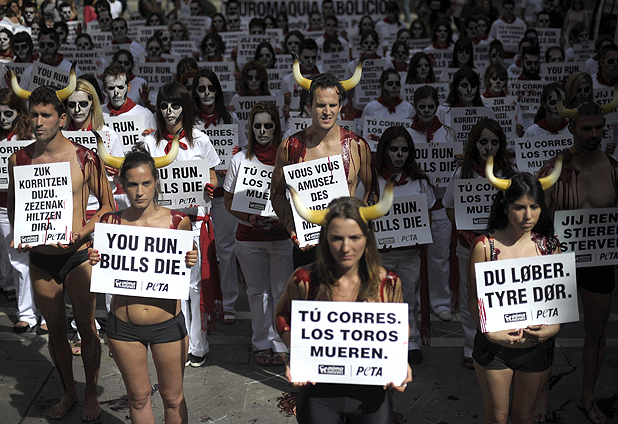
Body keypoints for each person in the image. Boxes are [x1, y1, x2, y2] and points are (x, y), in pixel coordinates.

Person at [7, 82, 114, 421]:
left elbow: (108, 207)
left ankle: (91, 394)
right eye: (34, 115)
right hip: (41, 259)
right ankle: (69, 391)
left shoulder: (84, 157)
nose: (38, 122)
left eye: (46, 115)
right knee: (54, 330)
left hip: (78, 254)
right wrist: (22, 234)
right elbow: (14, 208)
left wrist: (82, 232)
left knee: (86, 327)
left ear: (62, 118)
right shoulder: (18, 159)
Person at [274, 184, 412, 422]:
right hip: (319, 394)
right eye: (337, 238)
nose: (346, 248)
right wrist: (296, 354)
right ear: (325, 239)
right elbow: (282, 316)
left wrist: (399, 360)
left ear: (367, 238)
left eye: (355, 238)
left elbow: (398, 325)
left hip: (372, 394)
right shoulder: (305, 279)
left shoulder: (388, 281)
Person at [89, 143, 197, 424]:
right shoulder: (110, 222)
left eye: (146, 183)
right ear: (122, 185)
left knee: (173, 397)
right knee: (137, 398)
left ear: (156, 182)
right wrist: (95, 257)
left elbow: (185, 262)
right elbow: (103, 267)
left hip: (167, 326)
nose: (139, 191)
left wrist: (191, 257)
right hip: (123, 327)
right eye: (132, 184)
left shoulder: (178, 221)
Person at [539, 96, 618, 424]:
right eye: (587, 128)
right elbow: (537, 219)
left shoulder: (613, 169)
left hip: (599, 262)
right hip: (560, 260)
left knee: (596, 331)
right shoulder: (553, 170)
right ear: (571, 128)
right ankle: (540, 398)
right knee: (546, 333)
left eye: (599, 127)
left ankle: (588, 395)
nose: (594, 134)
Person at [469, 164, 563, 424]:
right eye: (519, 207)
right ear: (505, 207)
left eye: (534, 206)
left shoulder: (550, 247)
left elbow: (557, 301)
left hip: (537, 348)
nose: (528, 216)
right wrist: (489, 331)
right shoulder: (484, 247)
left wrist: (553, 328)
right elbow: (473, 299)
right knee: (497, 417)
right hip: (494, 349)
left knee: (524, 416)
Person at [143, 82, 219, 368]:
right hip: (163, 225)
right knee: (172, 287)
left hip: (194, 223)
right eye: (164, 106)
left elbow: (213, 176)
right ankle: (178, 343)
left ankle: (198, 344)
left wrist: (210, 186)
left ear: (185, 107)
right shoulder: (149, 143)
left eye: (175, 105)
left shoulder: (201, 140)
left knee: (194, 287)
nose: (169, 111)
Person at [271, 71, 375, 268]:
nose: (327, 111)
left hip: (347, 245)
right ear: (309, 105)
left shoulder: (357, 146)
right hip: (307, 244)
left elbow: (372, 190)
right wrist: (292, 229)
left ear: (340, 106)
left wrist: (358, 226)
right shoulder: (290, 147)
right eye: (320, 105)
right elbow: (277, 194)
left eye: (332, 105)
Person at [442, 119, 517, 370]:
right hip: (469, 246)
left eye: (494, 142)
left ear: (501, 145)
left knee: (500, 297)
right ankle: (470, 347)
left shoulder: (510, 173)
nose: (488, 147)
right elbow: (449, 206)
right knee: (470, 298)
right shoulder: (460, 173)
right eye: (483, 142)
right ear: (474, 143)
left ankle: (497, 344)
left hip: (502, 248)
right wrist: (462, 229)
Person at [223, 101, 293, 366]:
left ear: (276, 127)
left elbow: (297, 199)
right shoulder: (239, 159)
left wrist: (281, 220)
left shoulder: (288, 159)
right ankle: (261, 342)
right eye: (257, 126)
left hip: (281, 237)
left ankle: (280, 342)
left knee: (280, 292)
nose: (262, 131)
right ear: (250, 128)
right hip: (248, 239)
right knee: (256, 293)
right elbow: (229, 201)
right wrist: (250, 218)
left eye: (268, 125)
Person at [373, 126, 436, 364]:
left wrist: (416, 234)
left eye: (404, 150)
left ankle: (411, 342)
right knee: (381, 299)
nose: (399, 155)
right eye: (394, 149)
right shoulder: (371, 182)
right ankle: (384, 343)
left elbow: (428, 216)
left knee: (409, 299)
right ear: (384, 151)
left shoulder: (420, 183)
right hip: (381, 254)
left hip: (410, 254)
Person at [192, 68, 246, 324]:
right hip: (198, 195)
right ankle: (202, 302)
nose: (206, 93)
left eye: (210, 88)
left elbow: (243, 151)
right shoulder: (190, 120)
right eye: (201, 88)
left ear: (217, 90)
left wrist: (231, 162)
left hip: (224, 193)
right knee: (200, 251)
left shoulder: (230, 117)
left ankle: (229, 302)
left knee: (226, 250)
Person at [408, 86, 456, 325]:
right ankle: (414, 302)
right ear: (415, 106)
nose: (426, 111)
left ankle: (441, 303)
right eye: (422, 107)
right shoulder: (407, 134)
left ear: (437, 106)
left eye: (430, 107)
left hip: (440, 205)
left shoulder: (448, 134)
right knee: (413, 259)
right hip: (414, 206)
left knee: (440, 258)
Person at [0, 88, 42, 333]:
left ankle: (44, 312)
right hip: (4, 208)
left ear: (19, 112)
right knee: (17, 261)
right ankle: (26, 312)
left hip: (33, 206)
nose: (3, 119)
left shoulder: (31, 138)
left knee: (42, 259)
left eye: (8, 113)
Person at [101, 63, 157, 131]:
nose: (116, 93)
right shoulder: (97, 114)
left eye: (120, 87)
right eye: (111, 88)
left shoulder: (145, 114)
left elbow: (153, 137)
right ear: (104, 88)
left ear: (129, 86)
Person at [360, 69, 414, 134]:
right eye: (390, 84)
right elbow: (363, 133)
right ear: (382, 85)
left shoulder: (409, 108)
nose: (394, 87)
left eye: (397, 84)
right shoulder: (370, 108)